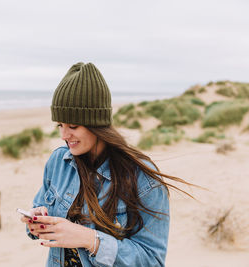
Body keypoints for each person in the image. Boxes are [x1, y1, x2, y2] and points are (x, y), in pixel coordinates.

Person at [20, 62, 190, 267]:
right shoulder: (58, 161)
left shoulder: (143, 179)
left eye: (73, 126)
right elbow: (41, 217)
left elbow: (151, 260)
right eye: (60, 125)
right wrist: (37, 223)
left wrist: (89, 239)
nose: (64, 135)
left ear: (97, 124)